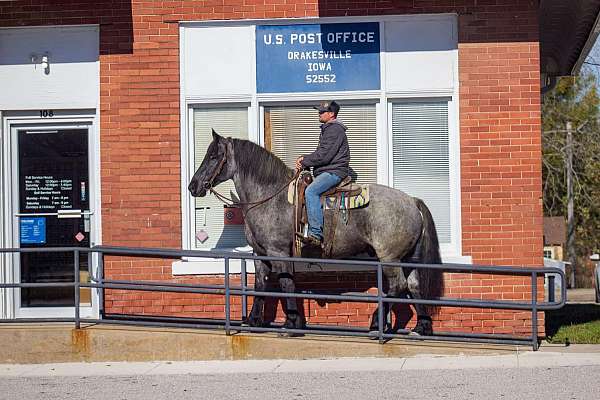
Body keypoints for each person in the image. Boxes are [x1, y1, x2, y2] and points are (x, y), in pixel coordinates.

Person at [295, 100, 350, 246]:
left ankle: (315, 235)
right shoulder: (328, 129)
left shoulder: (334, 130)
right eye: (319, 111)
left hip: (334, 171)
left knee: (311, 192)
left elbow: (324, 155)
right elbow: (321, 153)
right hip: (330, 169)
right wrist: (306, 158)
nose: (319, 113)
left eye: (322, 111)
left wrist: (305, 161)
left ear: (331, 114)